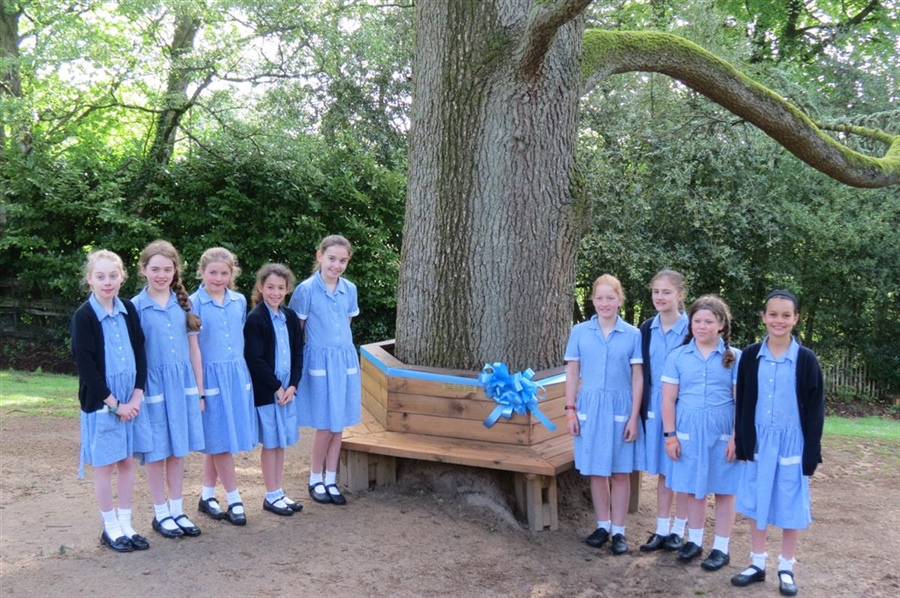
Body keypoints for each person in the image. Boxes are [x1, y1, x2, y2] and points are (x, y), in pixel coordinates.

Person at [731, 290, 824, 597]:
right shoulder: (751, 356)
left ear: (796, 318)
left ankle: (786, 566)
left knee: (789, 502)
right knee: (759, 499)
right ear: (764, 316)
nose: (779, 320)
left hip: (792, 443)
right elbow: (743, 401)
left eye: (786, 315)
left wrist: (811, 452)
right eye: (773, 314)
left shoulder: (806, 360)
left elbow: (815, 409)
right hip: (759, 441)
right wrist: (743, 442)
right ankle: (757, 563)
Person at [71, 249, 151, 552]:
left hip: (132, 400)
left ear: (122, 277)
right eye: (101, 276)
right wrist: (115, 403)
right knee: (105, 465)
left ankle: (127, 522)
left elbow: (141, 352)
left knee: (127, 462)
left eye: (113, 276)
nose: (108, 282)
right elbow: (87, 367)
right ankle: (110, 527)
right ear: (90, 278)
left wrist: (136, 396)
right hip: (104, 401)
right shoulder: (84, 316)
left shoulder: (129, 309)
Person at [564, 274, 644, 555]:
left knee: (620, 471)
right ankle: (603, 525)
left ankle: (620, 531)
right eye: (600, 298)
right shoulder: (580, 332)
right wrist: (571, 409)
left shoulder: (633, 335)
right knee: (597, 471)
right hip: (590, 407)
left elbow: (637, 378)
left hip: (621, 408)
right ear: (593, 300)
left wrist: (634, 416)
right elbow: (572, 372)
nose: (605, 303)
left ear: (619, 300)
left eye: (610, 298)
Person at [661, 295, 741, 572]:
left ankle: (721, 547)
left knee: (724, 489)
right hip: (687, 430)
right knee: (693, 489)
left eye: (709, 321)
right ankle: (693, 541)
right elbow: (668, 400)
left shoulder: (734, 358)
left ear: (721, 325)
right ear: (690, 323)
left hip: (722, 431)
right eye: (697, 321)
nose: (702, 326)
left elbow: (740, 402)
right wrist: (670, 436)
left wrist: (736, 437)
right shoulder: (678, 357)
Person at [132, 240, 205, 539]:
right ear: (143, 270)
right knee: (156, 451)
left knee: (178, 450)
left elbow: (195, 350)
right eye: (155, 269)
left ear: (176, 270)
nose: (161, 275)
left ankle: (177, 509)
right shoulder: (135, 307)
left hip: (183, 386)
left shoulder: (184, 304)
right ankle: (160, 513)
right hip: (153, 389)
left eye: (167, 268)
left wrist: (199, 391)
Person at [288, 235, 361, 506]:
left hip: (344, 361)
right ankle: (314, 478)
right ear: (320, 257)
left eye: (342, 260)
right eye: (332, 259)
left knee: (339, 422)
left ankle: (331, 478)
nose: (337, 265)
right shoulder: (306, 290)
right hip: (319, 362)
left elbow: (347, 322)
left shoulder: (349, 289)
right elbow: (298, 332)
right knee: (324, 424)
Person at [190, 247, 257, 525]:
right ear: (202, 272)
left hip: (236, 377)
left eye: (224, 273)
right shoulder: (193, 303)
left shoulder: (239, 301)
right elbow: (192, 349)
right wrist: (200, 390)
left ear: (233, 274)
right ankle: (234, 498)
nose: (218, 278)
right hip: (209, 379)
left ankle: (206, 495)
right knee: (221, 443)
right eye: (213, 272)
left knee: (220, 440)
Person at [244, 263, 305, 516]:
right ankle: (270, 494)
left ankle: (279, 491)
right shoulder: (256, 318)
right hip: (268, 391)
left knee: (281, 442)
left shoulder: (290, 317)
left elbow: (299, 351)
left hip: (286, 389)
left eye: (281, 288)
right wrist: (277, 387)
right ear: (261, 287)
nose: (275, 292)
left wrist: (293, 385)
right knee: (271, 442)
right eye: (270, 287)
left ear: (287, 290)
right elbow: (254, 359)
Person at [638, 270, 690, 552]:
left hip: (683, 407)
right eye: (656, 291)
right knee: (661, 470)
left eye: (666, 292)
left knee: (680, 468)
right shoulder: (646, 328)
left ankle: (679, 531)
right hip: (655, 407)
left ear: (680, 295)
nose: (660, 297)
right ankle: (661, 529)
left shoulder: (693, 328)